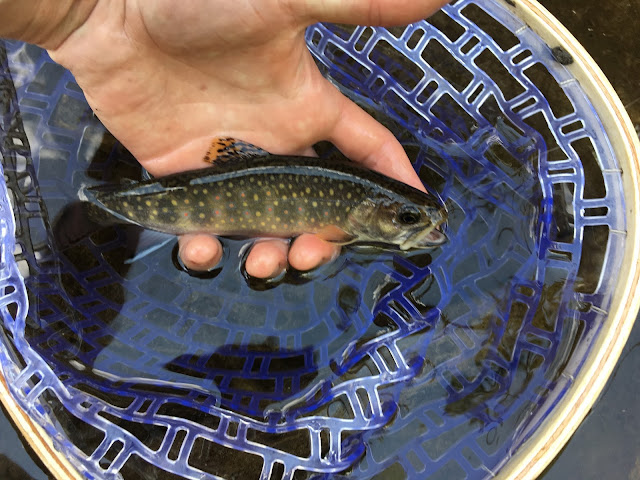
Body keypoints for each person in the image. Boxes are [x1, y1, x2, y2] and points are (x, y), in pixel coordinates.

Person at [0, 0, 448, 278]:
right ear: (367, 213)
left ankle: (96, 214)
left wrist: (85, 12)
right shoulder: (342, 218)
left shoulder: (347, 211)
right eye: (407, 218)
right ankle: (98, 212)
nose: (417, 225)